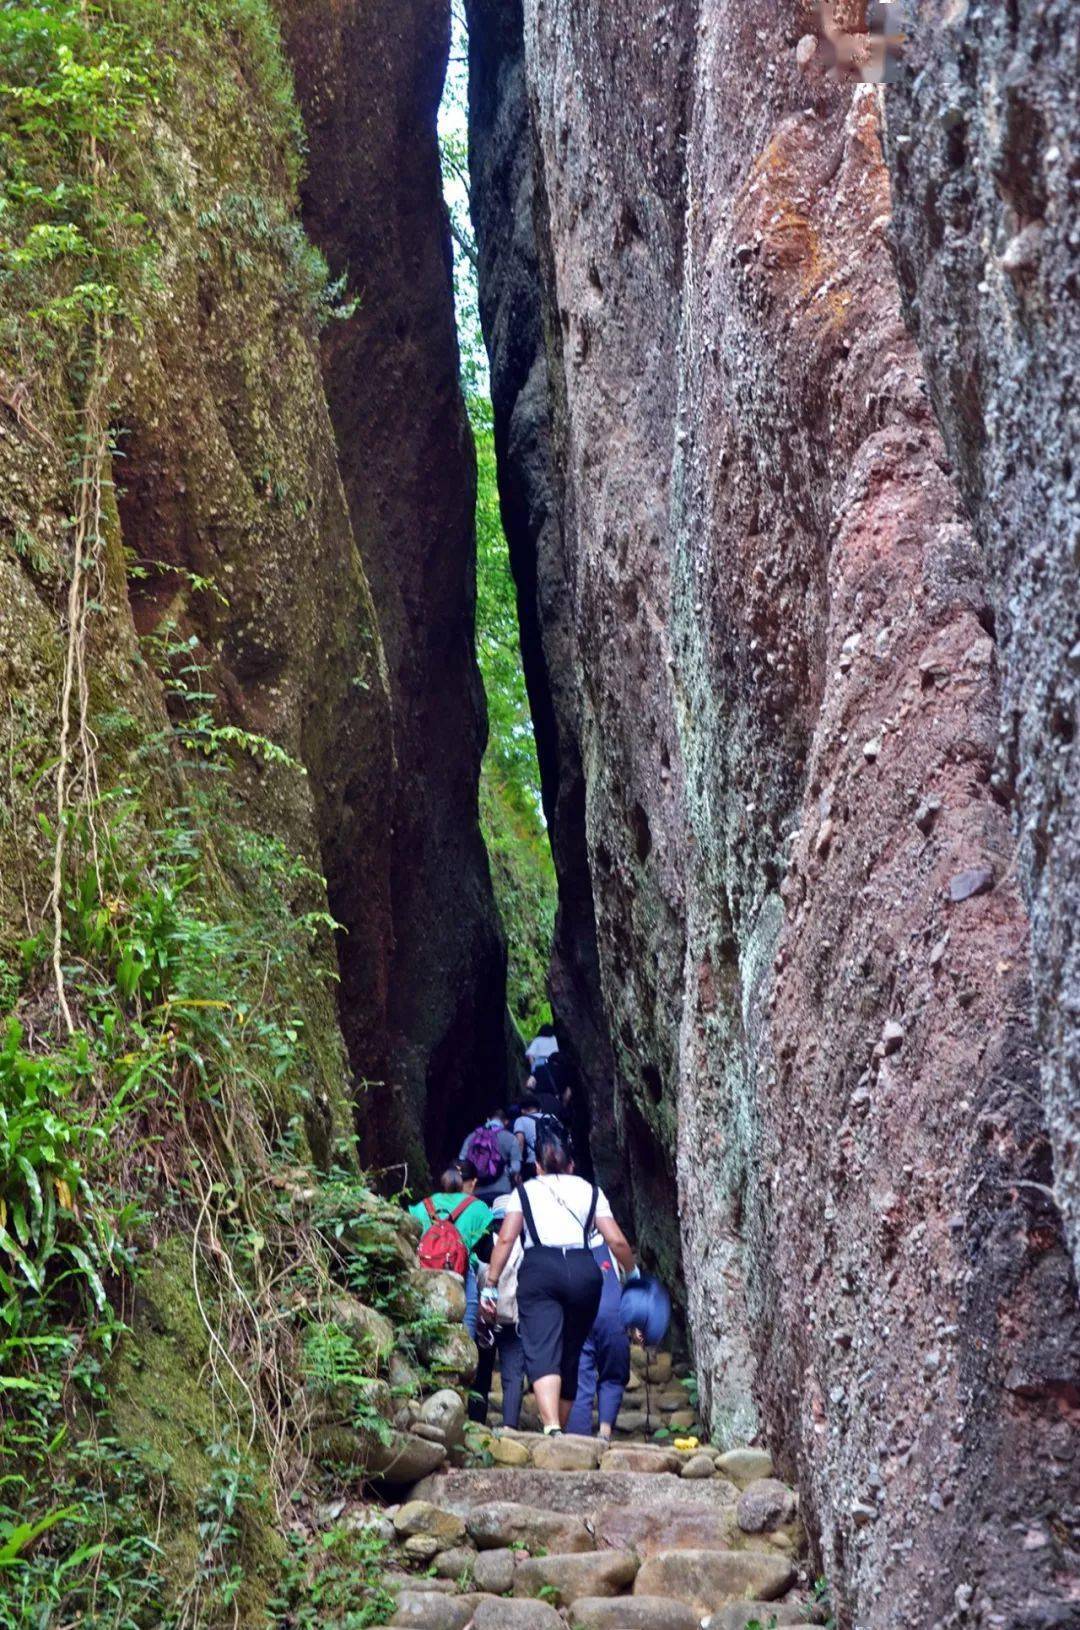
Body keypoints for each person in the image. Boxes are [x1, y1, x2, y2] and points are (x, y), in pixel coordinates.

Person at [481, 1124, 637, 1434]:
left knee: (542, 1347)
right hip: (584, 1271)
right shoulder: (590, 1190)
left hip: (540, 1268)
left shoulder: (524, 1191)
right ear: (571, 1164)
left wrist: (491, 1284)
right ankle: (561, 1433)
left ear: (537, 1165)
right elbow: (616, 1241)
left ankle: (552, 1426)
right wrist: (633, 1274)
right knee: (571, 1351)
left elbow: (505, 1240)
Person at [409, 1161, 493, 1338]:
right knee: (466, 1329)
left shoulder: (422, 1206)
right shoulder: (478, 1208)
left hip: (424, 1273)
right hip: (461, 1274)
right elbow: (487, 1252)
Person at [467, 1196, 526, 1429]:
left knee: (481, 1374)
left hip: (485, 1317)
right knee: (513, 1377)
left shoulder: (482, 1241)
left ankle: (475, 1424)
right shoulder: (525, 1241)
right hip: (514, 1318)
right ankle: (511, 1427)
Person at [565, 1240, 630, 1439]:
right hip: (612, 1316)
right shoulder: (611, 1242)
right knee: (612, 1375)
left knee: (579, 1380)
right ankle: (604, 1432)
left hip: (578, 1313)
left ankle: (579, 1444)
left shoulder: (564, 1242)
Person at [458, 1111, 522, 1205]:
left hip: (476, 1190)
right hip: (501, 1190)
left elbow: (461, 1160)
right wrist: (506, 1172)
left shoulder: (472, 1136)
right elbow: (516, 1167)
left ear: (488, 1119)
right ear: (506, 1122)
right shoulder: (510, 1138)